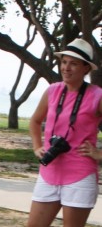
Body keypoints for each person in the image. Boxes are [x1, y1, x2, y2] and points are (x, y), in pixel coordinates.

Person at [27, 38, 102, 227]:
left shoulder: (97, 95)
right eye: (64, 62)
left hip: (80, 174)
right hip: (49, 171)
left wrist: (99, 154)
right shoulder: (53, 91)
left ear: (86, 68)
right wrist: (37, 147)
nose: (66, 68)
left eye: (73, 64)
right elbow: (35, 121)